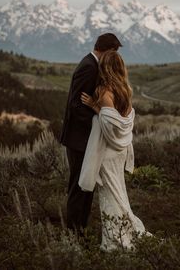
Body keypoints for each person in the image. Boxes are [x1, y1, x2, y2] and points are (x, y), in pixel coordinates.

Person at [79, 50, 152, 251]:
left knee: (110, 195)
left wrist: (95, 107)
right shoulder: (125, 90)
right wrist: (99, 109)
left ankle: (115, 241)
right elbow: (124, 122)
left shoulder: (104, 91)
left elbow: (110, 125)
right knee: (119, 192)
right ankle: (124, 232)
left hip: (109, 151)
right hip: (121, 150)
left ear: (105, 68)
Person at [60, 33, 122, 235]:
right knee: (79, 187)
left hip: (85, 139)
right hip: (79, 139)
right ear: (108, 50)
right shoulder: (88, 66)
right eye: (115, 52)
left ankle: (80, 231)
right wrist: (99, 124)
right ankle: (73, 234)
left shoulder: (92, 64)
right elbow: (76, 106)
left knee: (86, 186)